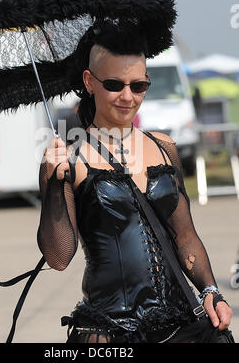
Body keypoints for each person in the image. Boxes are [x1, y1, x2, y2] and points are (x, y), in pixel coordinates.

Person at [37, 20, 233, 343]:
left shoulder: (163, 147)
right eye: (114, 84)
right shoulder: (69, 159)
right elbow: (58, 258)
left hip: (179, 326)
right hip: (109, 333)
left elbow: (185, 237)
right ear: (90, 82)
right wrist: (55, 186)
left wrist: (211, 290)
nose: (127, 96)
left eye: (138, 85)